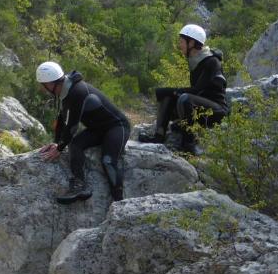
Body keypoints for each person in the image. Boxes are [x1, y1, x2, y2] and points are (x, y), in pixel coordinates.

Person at [36, 61, 131, 204]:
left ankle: (119, 202)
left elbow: (72, 126)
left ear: (50, 84)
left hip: (117, 127)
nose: (43, 89)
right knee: (75, 145)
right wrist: (56, 142)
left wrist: (60, 148)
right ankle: (79, 186)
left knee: (108, 160)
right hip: (98, 129)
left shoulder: (77, 92)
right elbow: (62, 118)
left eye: (43, 86)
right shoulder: (66, 90)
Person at [137, 24, 228, 153]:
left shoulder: (211, 61)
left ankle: (189, 144)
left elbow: (197, 90)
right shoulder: (195, 60)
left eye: (181, 41)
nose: (179, 45)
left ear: (191, 42)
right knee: (169, 97)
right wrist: (168, 93)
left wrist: (168, 91)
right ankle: (158, 136)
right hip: (199, 108)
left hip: (216, 112)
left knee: (184, 98)